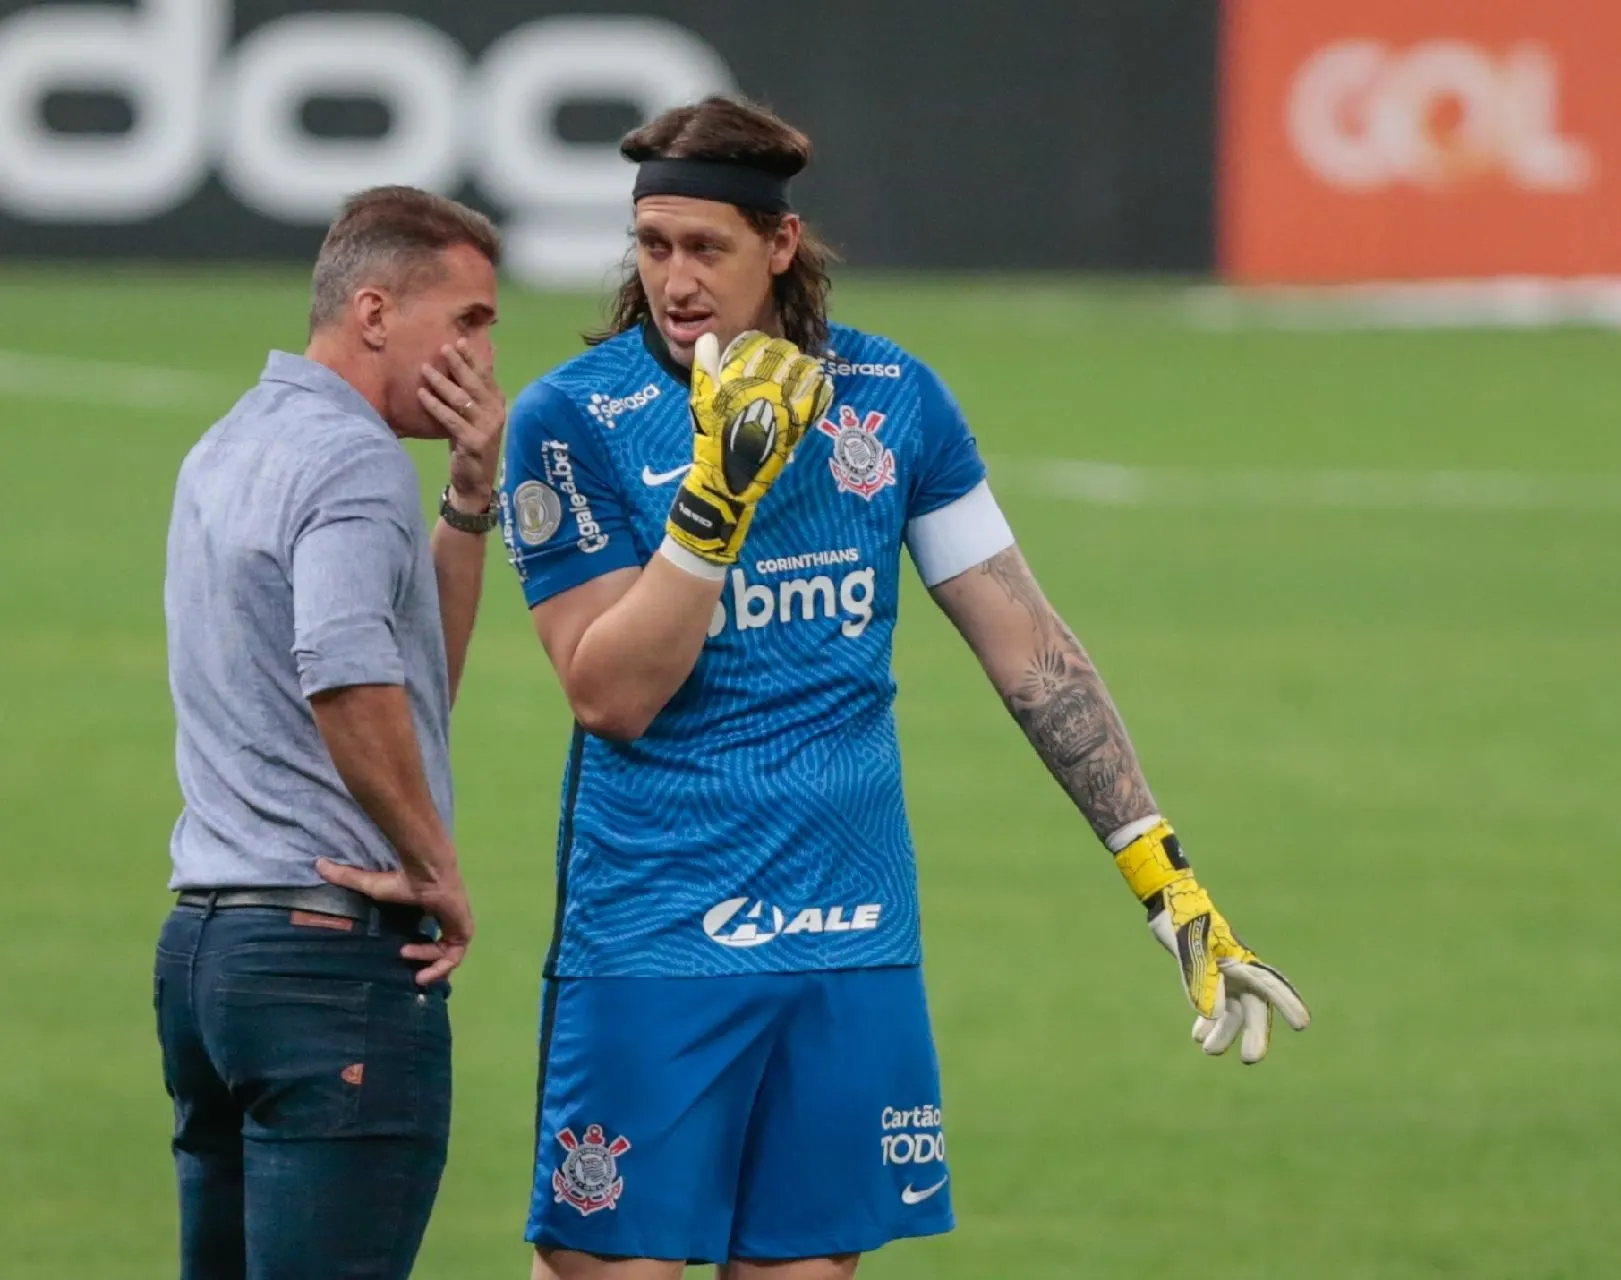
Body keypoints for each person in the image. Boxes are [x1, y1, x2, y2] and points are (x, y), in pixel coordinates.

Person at [500, 97, 1311, 1280]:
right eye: (653, 247)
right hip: (658, 939)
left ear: (779, 245)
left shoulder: (894, 400)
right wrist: (713, 505)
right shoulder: (573, 420)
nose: (674, 281)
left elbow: (1032, 649)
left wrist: (1166, 882)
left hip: (848, 935)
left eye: (706, 249)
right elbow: (610, 694)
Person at [155, 185, 506, 1279]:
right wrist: (432, 863)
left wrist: (466, 504)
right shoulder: (353, 463)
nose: (483, 358)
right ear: (372, 312)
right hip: (328, 968)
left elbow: (411, 684)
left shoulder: (229, 442)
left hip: (208, 957)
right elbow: (348, 675)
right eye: (468, 320)